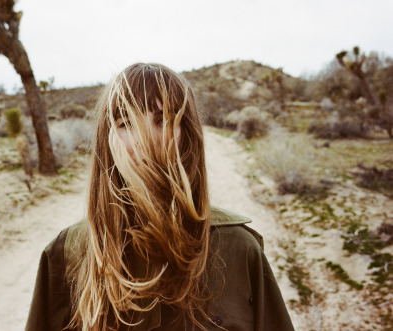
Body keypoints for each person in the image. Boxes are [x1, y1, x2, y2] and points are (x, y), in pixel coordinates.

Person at [25, 63, 295, 331]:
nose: (144, 140)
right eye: (126, 123)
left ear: (186, 136)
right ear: (107, 140)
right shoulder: (66, 253)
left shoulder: (238, 249)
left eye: (163, 120)